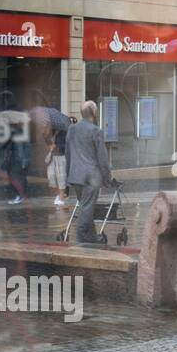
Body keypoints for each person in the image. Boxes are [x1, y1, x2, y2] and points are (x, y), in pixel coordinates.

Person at [65, 101, 113, 245]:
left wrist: (69, 174)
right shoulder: (95, 131)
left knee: (86, 206)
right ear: (94, 112)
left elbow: (67, 154)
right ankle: (80, 237)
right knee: (87, 208)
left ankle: (92, 238)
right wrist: (107, 177)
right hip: (91, 177)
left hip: (75, 176)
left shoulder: (72, 129)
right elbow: (102, 159)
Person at [44, 119, 69, 207]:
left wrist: (57, 146)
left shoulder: (65, 132)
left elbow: (67, 145)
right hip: (52, 157)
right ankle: (59, 194)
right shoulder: (50, 132)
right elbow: (47, 141)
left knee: (61, 177)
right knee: (51, 177)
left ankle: (61, 198)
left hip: (61, 156)